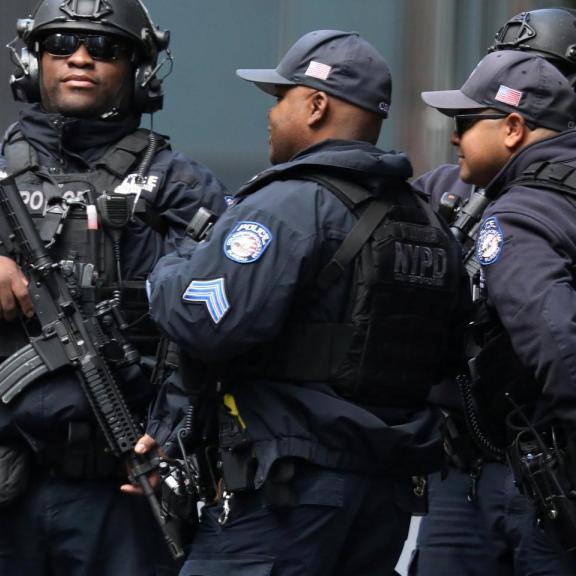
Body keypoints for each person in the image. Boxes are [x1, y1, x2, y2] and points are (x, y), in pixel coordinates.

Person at [0, 0, 228, 574]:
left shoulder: (179, 187)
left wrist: (173, 433)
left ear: (140, 69)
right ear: (33, 63)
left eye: (105, 48)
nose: (80, 58)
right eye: (60, 46)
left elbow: (214, 322)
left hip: (123, 483)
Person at [145, 30, 465, 575]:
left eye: (280, 99)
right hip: (382, 499)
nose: (270, 116)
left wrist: (169, 270)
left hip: (288, 496)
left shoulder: (289, 204)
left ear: (316, 105)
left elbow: (203, 322)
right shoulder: (425, 218)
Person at [410, 9, 576, 575]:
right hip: (467, 464)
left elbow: (555, 337)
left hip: (551, 463)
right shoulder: (463, 179)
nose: (456, 135)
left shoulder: (530, 201)